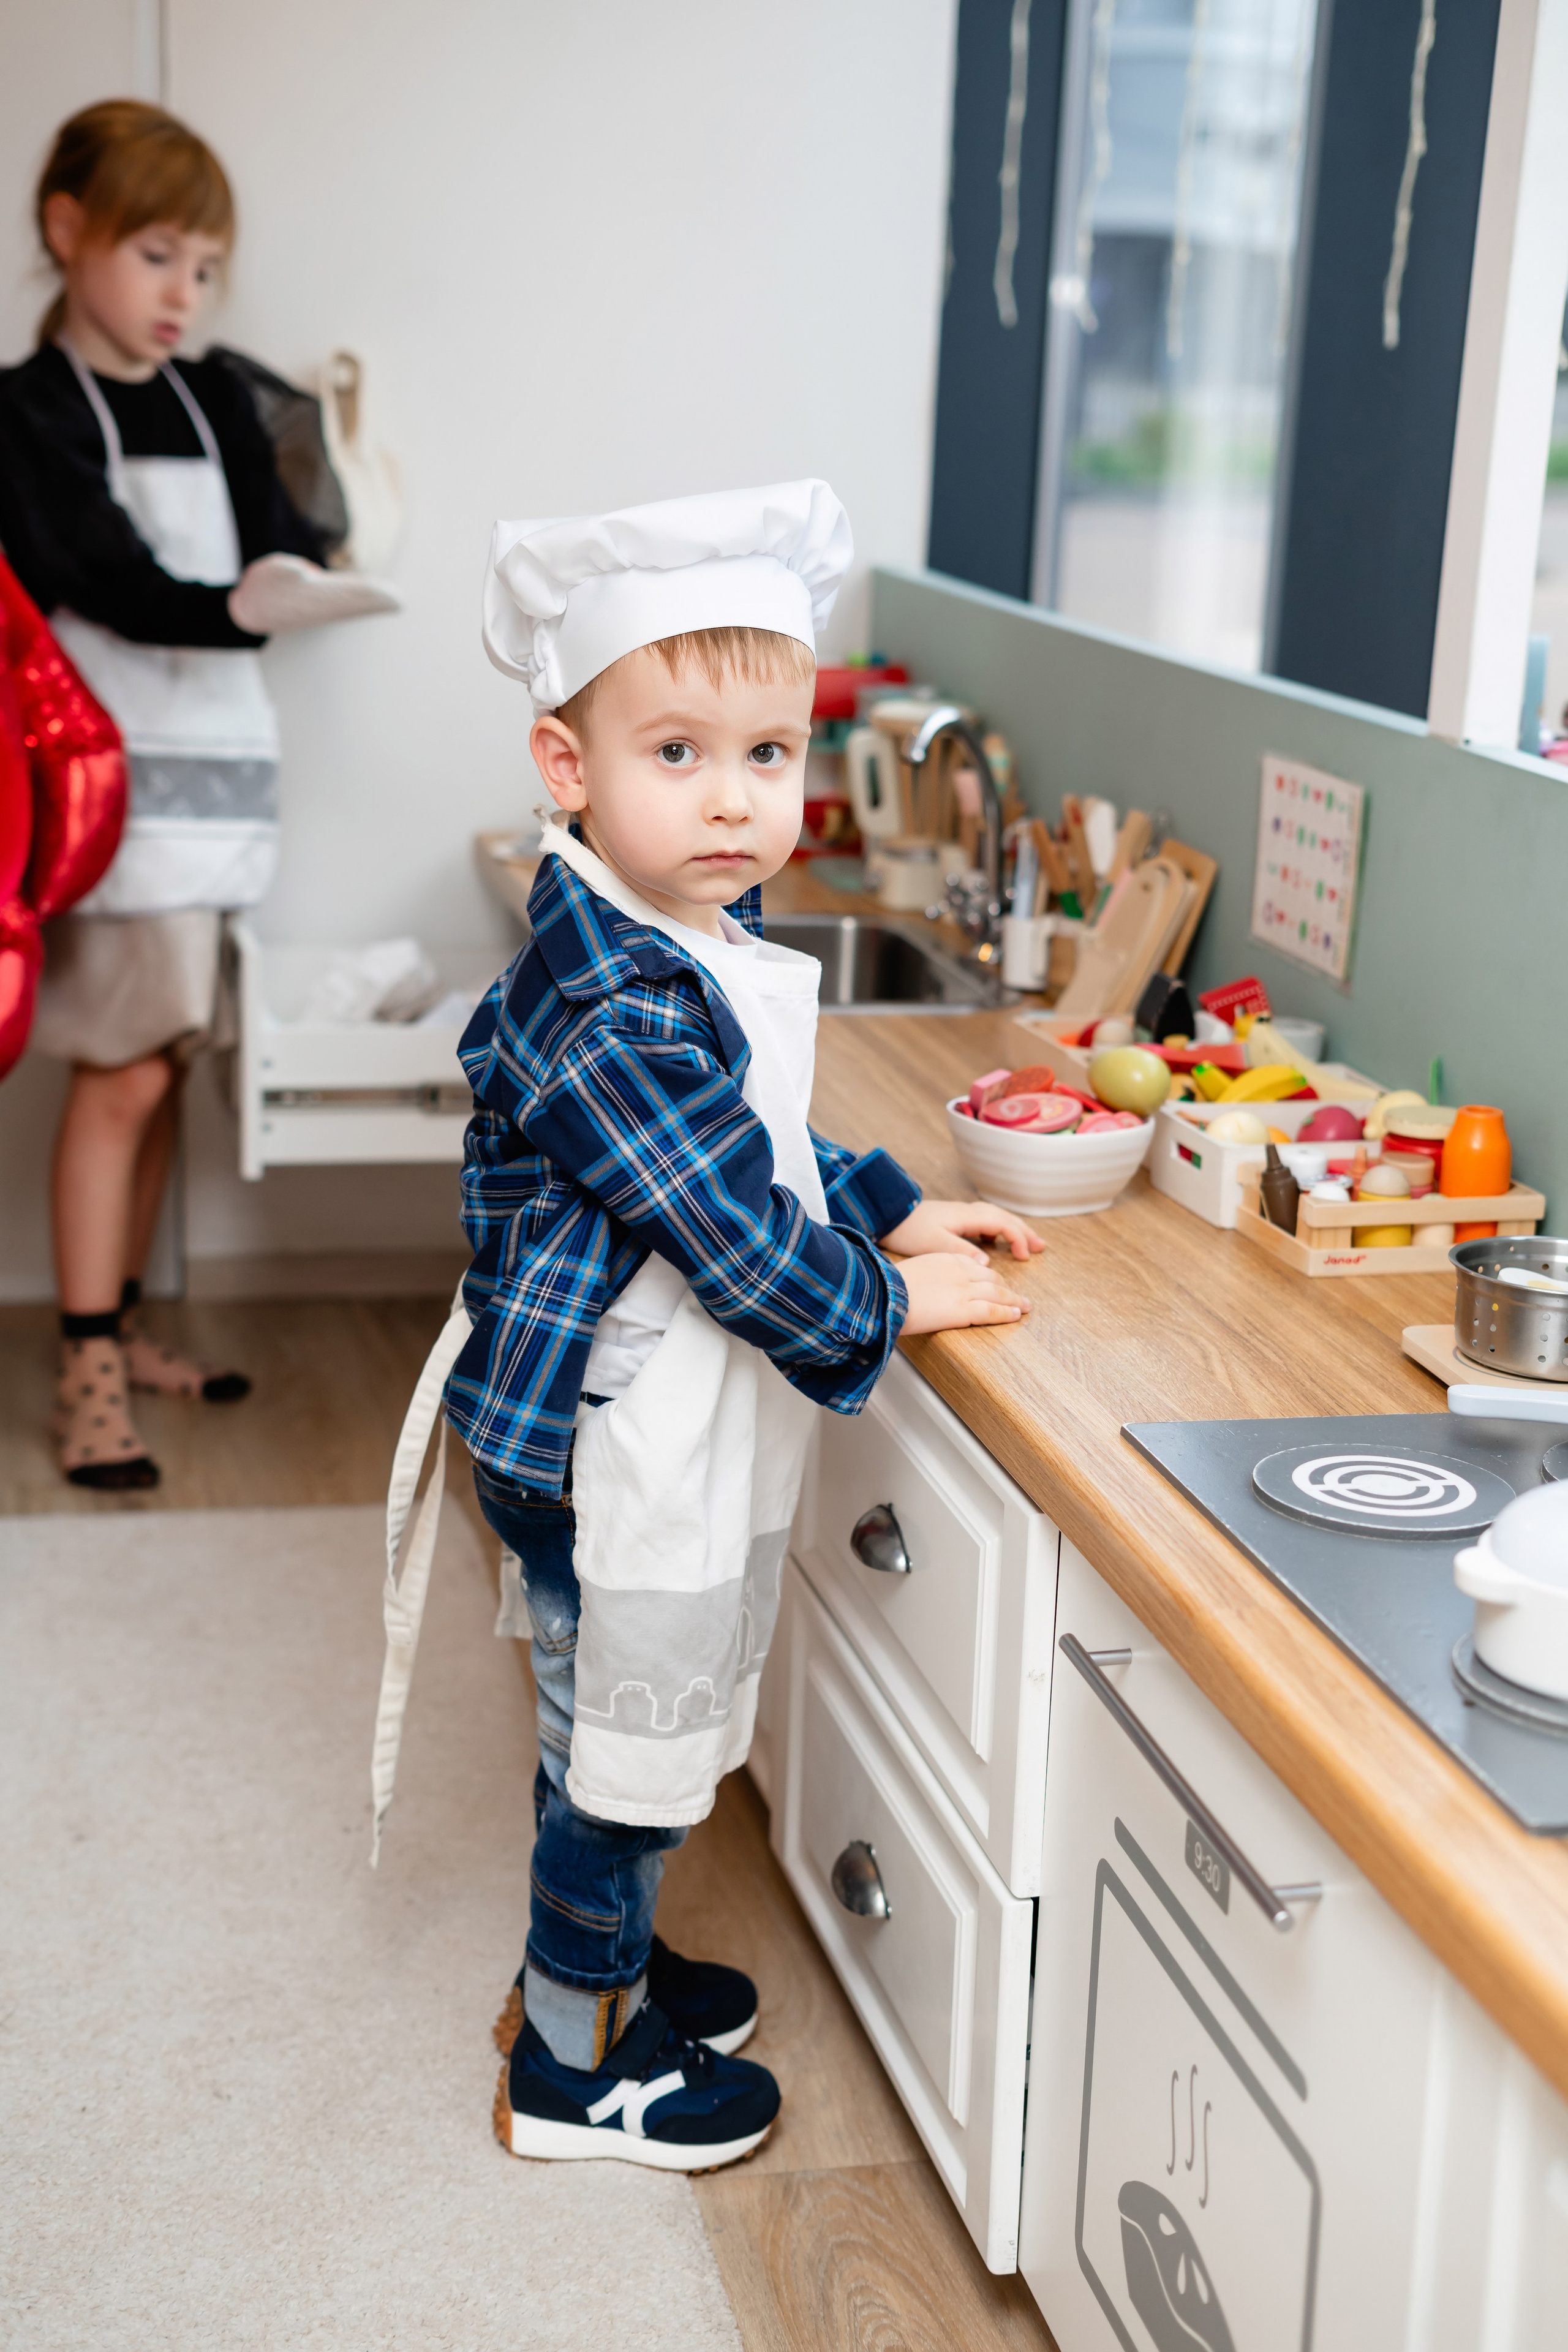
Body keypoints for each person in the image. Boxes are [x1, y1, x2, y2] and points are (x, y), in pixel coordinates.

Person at [374, 480, 1044, 2173]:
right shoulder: (602, 996)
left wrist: (887, 1199)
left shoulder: (680, 932)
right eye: (678, 754)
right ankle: (575, 2061)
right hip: (602, 1445)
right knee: (622, 1751)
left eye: (769, 756)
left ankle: (588, 1967)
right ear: (567, 767)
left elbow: (756, 1134)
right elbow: (738, 1239)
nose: (738, 801)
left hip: (627, 1420)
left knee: (627, 1721)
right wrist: (890, 1296)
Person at [0, 100, 395, 1490]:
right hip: (110, 804)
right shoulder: (28, 411)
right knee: (115, 1080)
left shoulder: (221, 390)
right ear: (67, 233)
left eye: (206, 267)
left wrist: (291, 572)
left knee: (164, 1070)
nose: (186, 295)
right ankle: (87, 1374)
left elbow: (294, 529)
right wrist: (252, 604)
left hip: (224, 785)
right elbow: (101, 576)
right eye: (157, 255)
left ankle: (129, 1329)